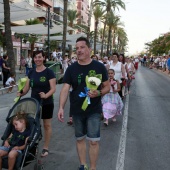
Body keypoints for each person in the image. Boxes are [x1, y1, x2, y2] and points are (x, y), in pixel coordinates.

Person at [57, 36, 110, 170]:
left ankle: (92, 168)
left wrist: (98, 93)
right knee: (80, 139)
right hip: (77, 110)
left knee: (93, 141)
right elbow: (65, 89)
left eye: (82, 47)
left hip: (94, 110)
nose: (79, 51)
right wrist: (61, 107)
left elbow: (107, 87)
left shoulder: (99, 67)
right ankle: (83, 165)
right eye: (77, 48)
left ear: (89, 49)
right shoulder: (71, 69)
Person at [17, 50, 56, 157]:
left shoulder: (49, 72)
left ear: (43, 58)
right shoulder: (31, 72)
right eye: (35, 57)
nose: (37, 59)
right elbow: (26, 88)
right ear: (33, 59)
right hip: (33, 103)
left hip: (47, 103)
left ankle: (45, 147)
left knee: (46, 125)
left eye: (39, 57)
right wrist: (21, 93)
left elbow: (53, 89)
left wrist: (46, 95)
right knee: (33, 125)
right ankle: (32, 146)